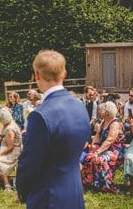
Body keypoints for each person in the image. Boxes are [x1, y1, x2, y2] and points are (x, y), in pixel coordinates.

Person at [17, 50, 90, 208]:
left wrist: (22, 189)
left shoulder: (40, 115)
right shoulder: (80, 106)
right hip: (75, 191)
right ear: (64, 73)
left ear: (37, 75)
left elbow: (30, 161)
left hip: (48, 196)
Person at [81, 102, 125, 193]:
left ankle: (106, 186)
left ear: (107, 111)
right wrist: (93, 145)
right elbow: (97, 135)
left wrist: (98, 151)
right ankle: (91, 182)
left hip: (115, 150)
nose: (100, 111)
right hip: (104, 147)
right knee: (89, 156)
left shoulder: (115, 123)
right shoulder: (103, 121)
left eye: (102, 110)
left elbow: (110, 140)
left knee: (100, 159)